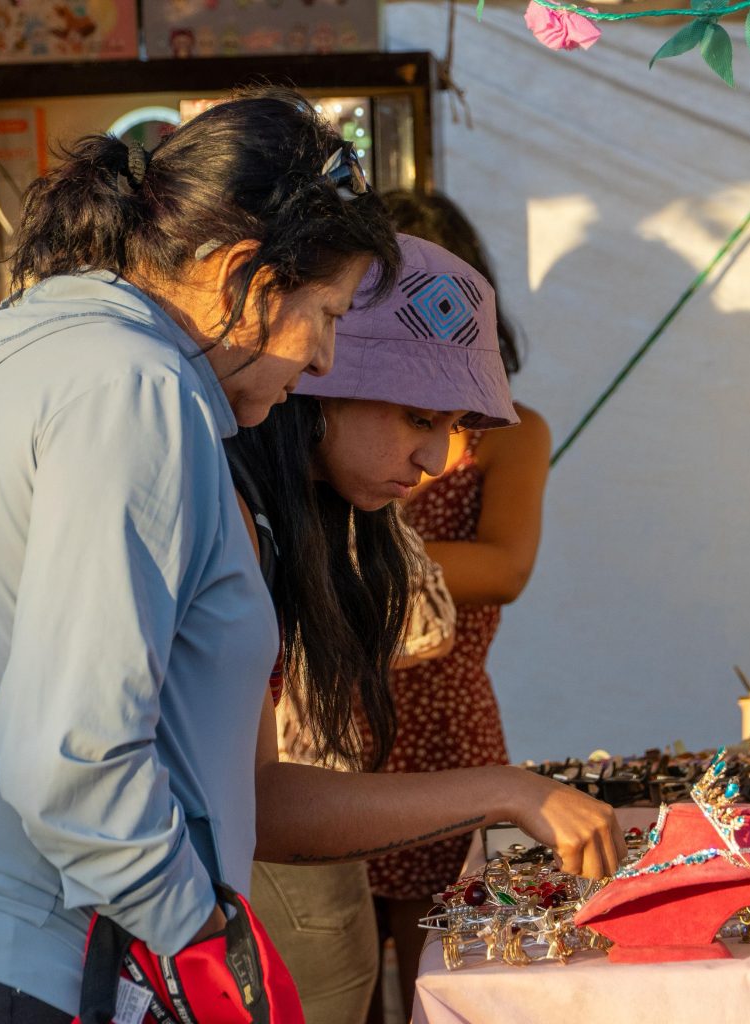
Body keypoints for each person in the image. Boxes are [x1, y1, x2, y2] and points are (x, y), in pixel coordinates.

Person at [0, 92, 621, 1022]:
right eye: (326, 314)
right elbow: (71, 759)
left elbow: (202, 778)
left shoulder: (35, 348)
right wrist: (209, 952)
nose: (327, 360)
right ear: (242, 273)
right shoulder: (135, 384)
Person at [224, 235, 501, 1024]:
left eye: (452, 425)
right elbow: (262, 799)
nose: (439, 456)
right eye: (419, 417)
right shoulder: (230, 508)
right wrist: (499, 791)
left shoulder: (296, 513)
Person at [365, 192, 553, 1019]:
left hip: (442, 717)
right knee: (322, 970)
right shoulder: (333, 411)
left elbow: (505, 567)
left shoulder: (511, 431)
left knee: (437, 977)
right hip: (326, 714)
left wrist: (349, 561)